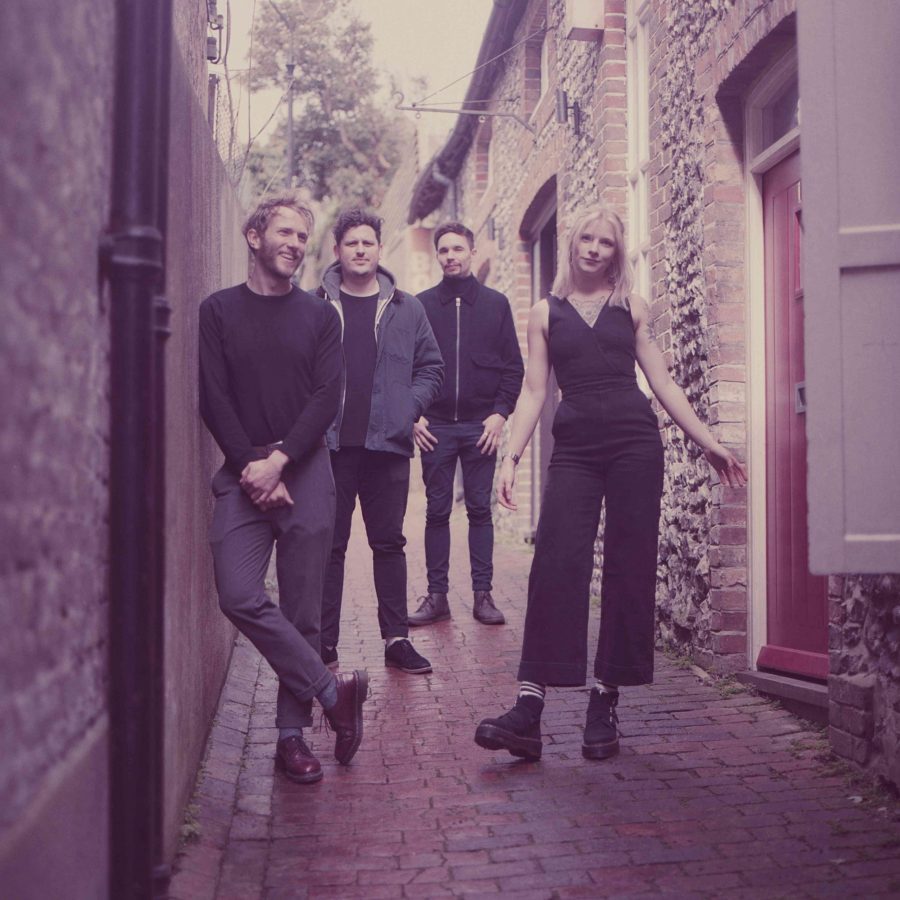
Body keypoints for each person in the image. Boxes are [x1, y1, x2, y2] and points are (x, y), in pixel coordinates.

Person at [474, 205, 747, 762]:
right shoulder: (545, 313)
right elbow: (534, 391)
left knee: (628, 564)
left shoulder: (632, 307)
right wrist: (510, 458)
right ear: (572, 243)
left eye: (605, 242)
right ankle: (529, 707)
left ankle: (605, 700)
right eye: (587, 239)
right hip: (574, 449)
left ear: (615, 253)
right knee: (555, 561)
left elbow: (662, 381)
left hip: (634, 446)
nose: (595, 249)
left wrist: (707, 441)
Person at [199, 193, 368, 785]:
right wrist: (253, 466)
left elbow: (326, 399)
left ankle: (290, 737)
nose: (296, 244)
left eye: (302, 236)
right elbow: (213, 397)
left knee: (303, 612)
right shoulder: (218, 311)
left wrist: (279, 461)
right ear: (254, 236)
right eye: (285, 232)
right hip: (242, 473)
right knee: (237, 593)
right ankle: (333, 692)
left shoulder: (320, 316)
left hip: (305, 471)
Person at [318, 208, 443, 674]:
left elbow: (431, 367)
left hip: (386, 447)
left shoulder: (407, 308)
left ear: (379, 248)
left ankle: (396, 639)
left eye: (367, 242)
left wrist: (407, 408)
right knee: (329, 546)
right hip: (329, 447)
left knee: (388, 543)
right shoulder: (315, 305)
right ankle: (323, 644)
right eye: (351, 243)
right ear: (337, 250)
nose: (360, 250)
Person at [410, 222, 524, 627]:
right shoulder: (420, 306)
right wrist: (413, 415)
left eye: (458, 249)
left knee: (479, 510)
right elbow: (403, 367)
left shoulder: (496, 305)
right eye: (444, 250)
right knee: (437, 511)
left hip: (481, 426)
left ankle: (483, 596)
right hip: (435, 427)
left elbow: (513, 367)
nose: (451, 256)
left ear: (472, 252)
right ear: (437, 255)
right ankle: (436, 597)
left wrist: (499, 414)